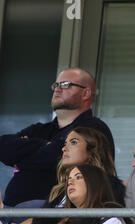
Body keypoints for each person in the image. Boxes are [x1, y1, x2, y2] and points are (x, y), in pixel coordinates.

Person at [0, 67, 114, 207]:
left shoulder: (93, 128)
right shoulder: (40, 129)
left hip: (54, 217)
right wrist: (44, 145)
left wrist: (23, 155)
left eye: (66, 85)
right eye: (56, 85)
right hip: (11, 214)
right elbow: (3, 147)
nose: (58, 89)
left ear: (86, 93)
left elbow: (54, 159)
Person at [30, 127, 124, 224]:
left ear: (92, 151)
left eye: (73, 142)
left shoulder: (110, 185)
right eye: (65, 144)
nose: (64, 148)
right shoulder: (60, 190)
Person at [56, 165, 129, 224]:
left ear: (94, 183)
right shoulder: (66, 221)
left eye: (78, 177)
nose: (70, 183)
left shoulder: (111, 220)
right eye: (69, 179)